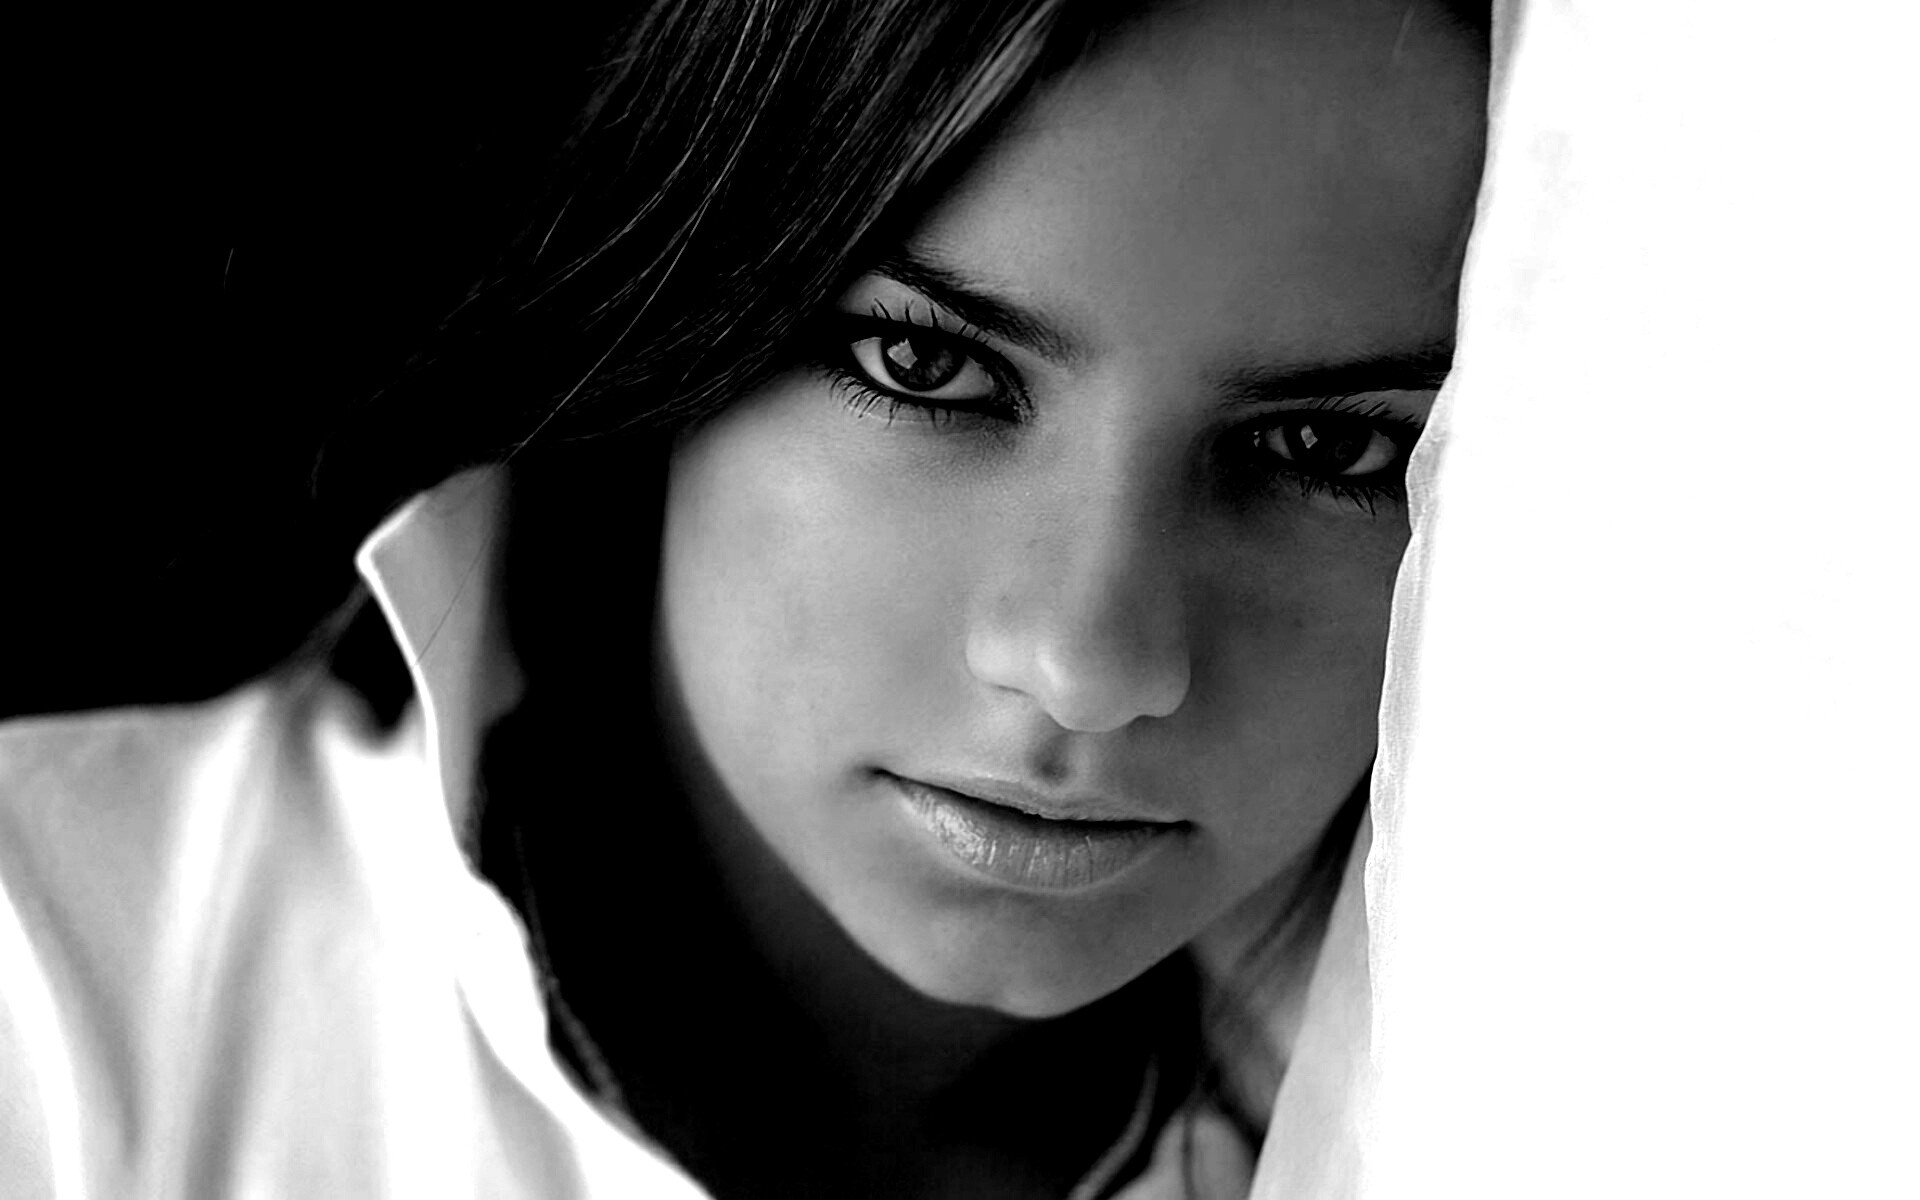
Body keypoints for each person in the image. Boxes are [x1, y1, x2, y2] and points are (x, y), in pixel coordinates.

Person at [0, 0, 1490, 1196]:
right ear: (679, 313)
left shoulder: (1527, 1128)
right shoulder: (50, 997)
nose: (1087, 662)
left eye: (1327, 449)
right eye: (927, 366)